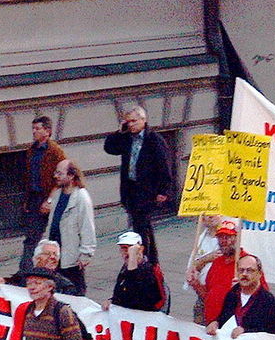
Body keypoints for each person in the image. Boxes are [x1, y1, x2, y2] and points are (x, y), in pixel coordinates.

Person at [104, 106, 174, 262]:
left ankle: (148, 257)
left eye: (134, 121)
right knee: (140, 225)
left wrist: (163, 190)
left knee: (142, 225)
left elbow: (164, 165)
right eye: (128, 122)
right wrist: (119, 131)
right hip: (130, 188)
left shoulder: (154, 140)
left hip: (146, 189)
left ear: (144, 120)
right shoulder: (127, 138)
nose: (131, 125)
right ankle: (146, 255)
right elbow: (109, 148)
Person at [19, 116, 67, 272]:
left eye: (38, 128)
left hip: (47, 197)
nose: (34, 132)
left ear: (47, 131)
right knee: (31, 236)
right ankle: (26, 270)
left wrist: (50, 200)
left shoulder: (55, 152)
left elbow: (61, 179)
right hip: (34, 196)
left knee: (52, 235)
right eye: (33, 128)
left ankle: (51, 268)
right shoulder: (32, 150)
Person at [45, 159, 95, 297]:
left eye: (60, 173)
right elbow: (51, 222)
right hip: (55, 254)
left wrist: (86, 253)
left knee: (75, 293)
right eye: (56, 172)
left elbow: (87, 227)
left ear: (71, 176)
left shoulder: (81, 198)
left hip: (71, 256)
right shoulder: (57, 194)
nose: (56, 176)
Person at [187, 219, 250, 324]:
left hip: (233, 325)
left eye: (228, 237)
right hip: (211, 324)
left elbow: (260, 298)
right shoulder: (217, 263)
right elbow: (206, 296)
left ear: (237, 238)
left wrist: (243, 289)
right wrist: (195, 284)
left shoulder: (247, 263)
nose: (224, 241)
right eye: (220, 237)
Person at [184, 214, 225, 323]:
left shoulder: (228, 239)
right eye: (206, 213)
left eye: (214, 212)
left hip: (220, 296)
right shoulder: (201, 238)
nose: (210, 216)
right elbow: (193, 266)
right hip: (202, 293)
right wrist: (206, 259)